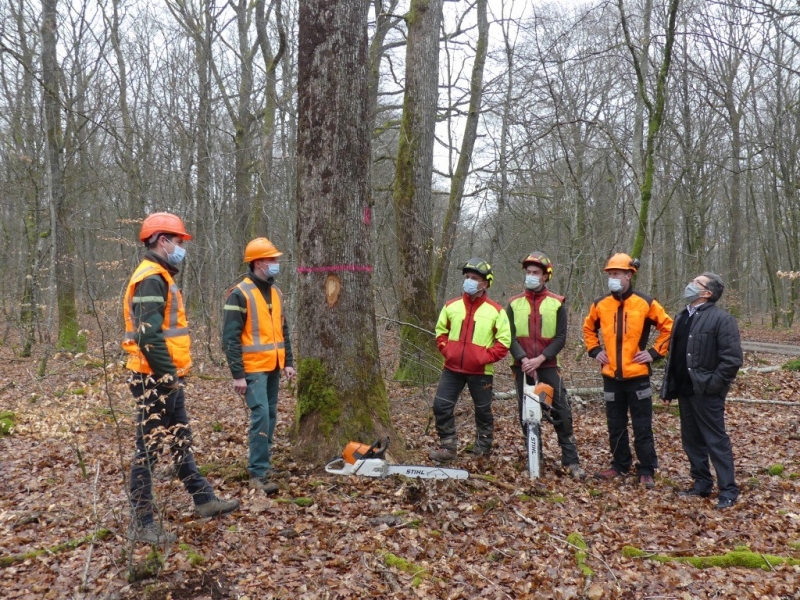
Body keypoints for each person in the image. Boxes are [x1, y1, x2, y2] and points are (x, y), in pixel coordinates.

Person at [123, 212, 239, 545]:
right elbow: (148, 335)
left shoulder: (160, 275)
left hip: (161, 376)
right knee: (147, 450)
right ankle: (142, 524)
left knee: (180, 438)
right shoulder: (151, 278)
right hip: (153, 378)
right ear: (162, 241)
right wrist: (168, 376)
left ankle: (203, 498)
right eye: (177, 241)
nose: (180, 247)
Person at [582, 253, 673, 489]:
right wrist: (594, 351)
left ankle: (646, 469)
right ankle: (619, 464)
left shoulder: (645, 302)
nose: (613, 278)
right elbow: (588, 329)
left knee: (642, 424)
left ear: (629, 276)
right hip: (611, 376)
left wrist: (653, 353)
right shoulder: (600, 304)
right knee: (615, 423)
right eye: (610, 274)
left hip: (638, 377)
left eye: (617, 274)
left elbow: (669, 328)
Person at [661, 272, 742, 509]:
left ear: (707, 293)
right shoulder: (682, 316)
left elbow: (732, 359)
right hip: (686, 390)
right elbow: (674, 356)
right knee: (691, 440)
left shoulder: (722, 319)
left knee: (715, 440)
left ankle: (728, 490)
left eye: (696, 283)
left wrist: (713, 385)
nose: (690, 285)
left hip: (707, 391)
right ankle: (702, 484)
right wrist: (669, 389)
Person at [223, 237, 296, 495]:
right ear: (257, 263)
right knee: (261, 415)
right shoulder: (239, 293)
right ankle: (257, 473)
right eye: (272, 260)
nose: (276, 264)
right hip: (252, 369)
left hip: (274, 365)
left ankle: (263, 465)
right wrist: (238, 375)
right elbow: (229, 338)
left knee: (271, 415)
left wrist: (288, 362)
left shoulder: (276, 292)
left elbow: (283, 330)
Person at [507, 252, 585, 479]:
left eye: (536, 273)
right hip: (522, 368)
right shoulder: (513, 303)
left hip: (548, 366)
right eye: (528, 272)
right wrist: (523, 359)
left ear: (545, 276)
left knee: (562, 411)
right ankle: (535, 458)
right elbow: (508, 336)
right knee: (528, 414)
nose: (531, 276)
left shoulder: (557, 302)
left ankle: (571, 461)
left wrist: (540, 359)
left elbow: (561, 337)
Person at [429, 258, 512, 462]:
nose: (469, 281)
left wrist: (484, 358)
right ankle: (448, 447)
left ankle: (483, 448)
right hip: (452, 368)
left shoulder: (496, 311)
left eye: (474, 278)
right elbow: (440, 332)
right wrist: (448, 351)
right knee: (441, 406)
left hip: (482, 371)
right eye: (467, 277)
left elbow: (504, 341)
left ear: (485, 283)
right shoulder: (451, 306)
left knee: (483, 410)